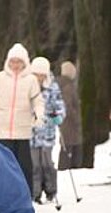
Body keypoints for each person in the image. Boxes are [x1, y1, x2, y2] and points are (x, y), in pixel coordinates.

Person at [0, 43, 45, 198]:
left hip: (22, 129)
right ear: (8, 61)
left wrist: (40, 114)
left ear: (25, 62)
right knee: (4, 164)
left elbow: (37, 101)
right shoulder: (0, 77)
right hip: (3, 129)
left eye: (19, 61)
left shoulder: (31, 80)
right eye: (13, 61)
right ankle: (4, 194)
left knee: (24, 164)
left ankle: (26, 194)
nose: (15, 65)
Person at [29, 57, 65, 204]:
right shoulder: (29, 86)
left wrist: (58, 117)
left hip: (47, 132)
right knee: (34, 164)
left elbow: (60, 107)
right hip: (31, 133)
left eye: (41, 74)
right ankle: (35, 192)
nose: (39, 77)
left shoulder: (53, 87)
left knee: (47, 163)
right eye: (36, 74)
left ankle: (51, 190)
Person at [56, 61, 84, 170]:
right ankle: (68, 168)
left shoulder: (60, 84)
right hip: (70, 123)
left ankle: (66, 167)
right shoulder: (68, 85)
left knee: (67, 147)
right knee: (70, 147)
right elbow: (67, 105)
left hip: (65, 122)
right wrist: (76, 117)